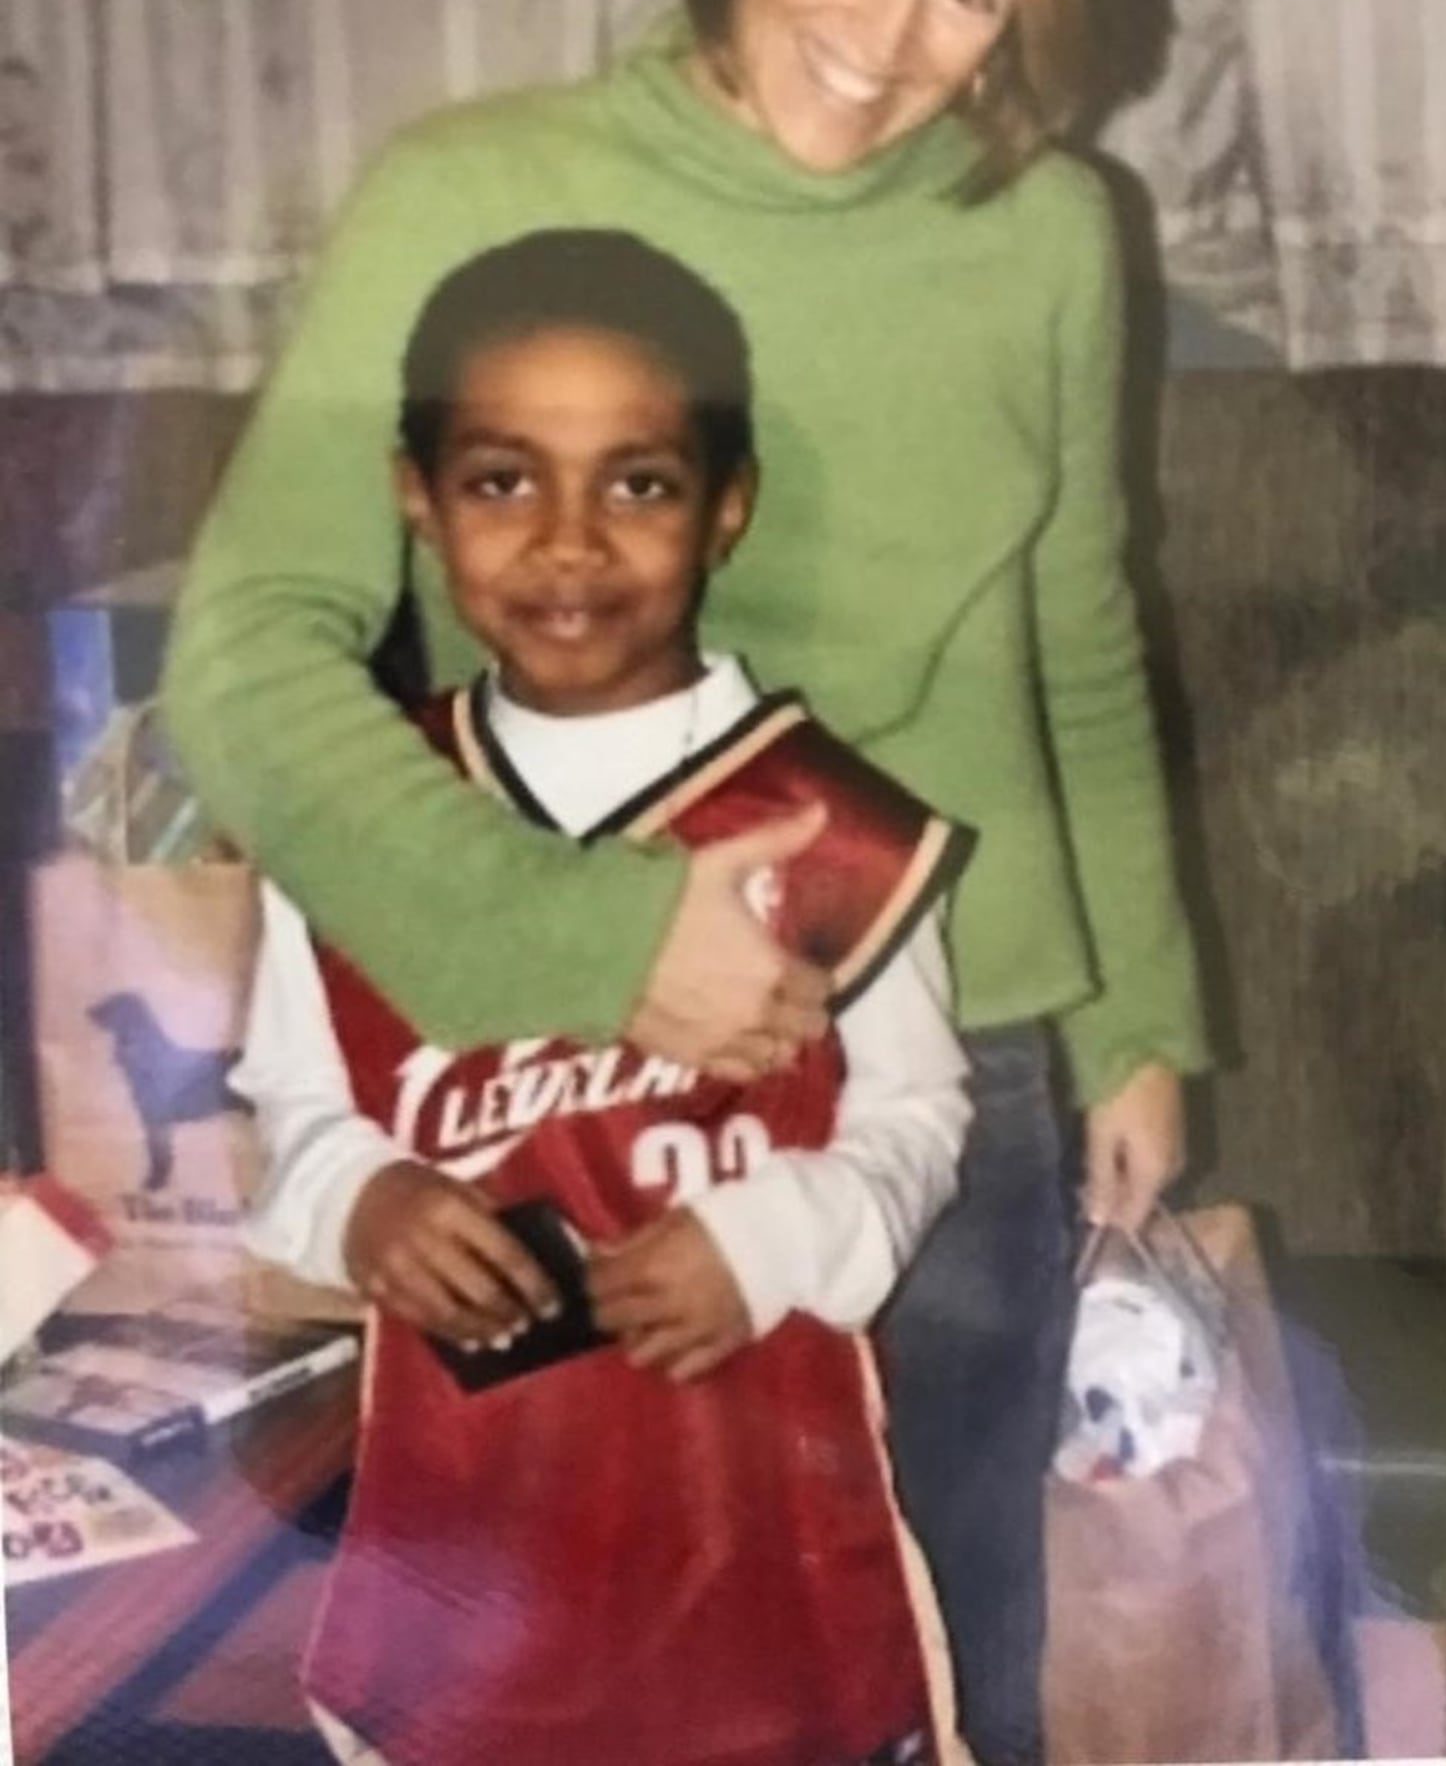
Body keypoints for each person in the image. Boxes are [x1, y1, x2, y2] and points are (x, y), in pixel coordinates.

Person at [166, 0, 1211, 1765]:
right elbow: (248, 652)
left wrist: (1136, 1018)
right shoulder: (470, 186)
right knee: (587, 1664)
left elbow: (1076, 630)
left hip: (964, 1057)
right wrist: (591, 941)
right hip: (577, 1073)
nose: (891, 38)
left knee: (937, 1634)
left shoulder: (1053, 235)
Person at [234, 227, 977, 1766]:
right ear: (416, 498)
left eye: (636, 482)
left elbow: (919, 1117)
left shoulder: (831, 825)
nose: (569, 543)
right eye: (504, 479)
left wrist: (775, 1234)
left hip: (765, 1560)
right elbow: (297, 1110)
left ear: (727, 506)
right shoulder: (361, 814)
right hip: (460, 1566)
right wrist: (363, 1202)